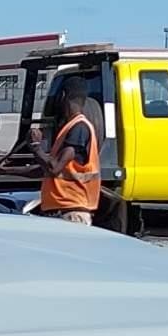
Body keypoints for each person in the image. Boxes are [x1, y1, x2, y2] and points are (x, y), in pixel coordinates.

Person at [30, 75, 102, 225]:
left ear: (63, 95)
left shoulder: (79, 128)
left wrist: (36, 147)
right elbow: (48, 170)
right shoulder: (72, 127)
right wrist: (5, 171)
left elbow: (54, 168)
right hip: (66, 210)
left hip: (71, 213)